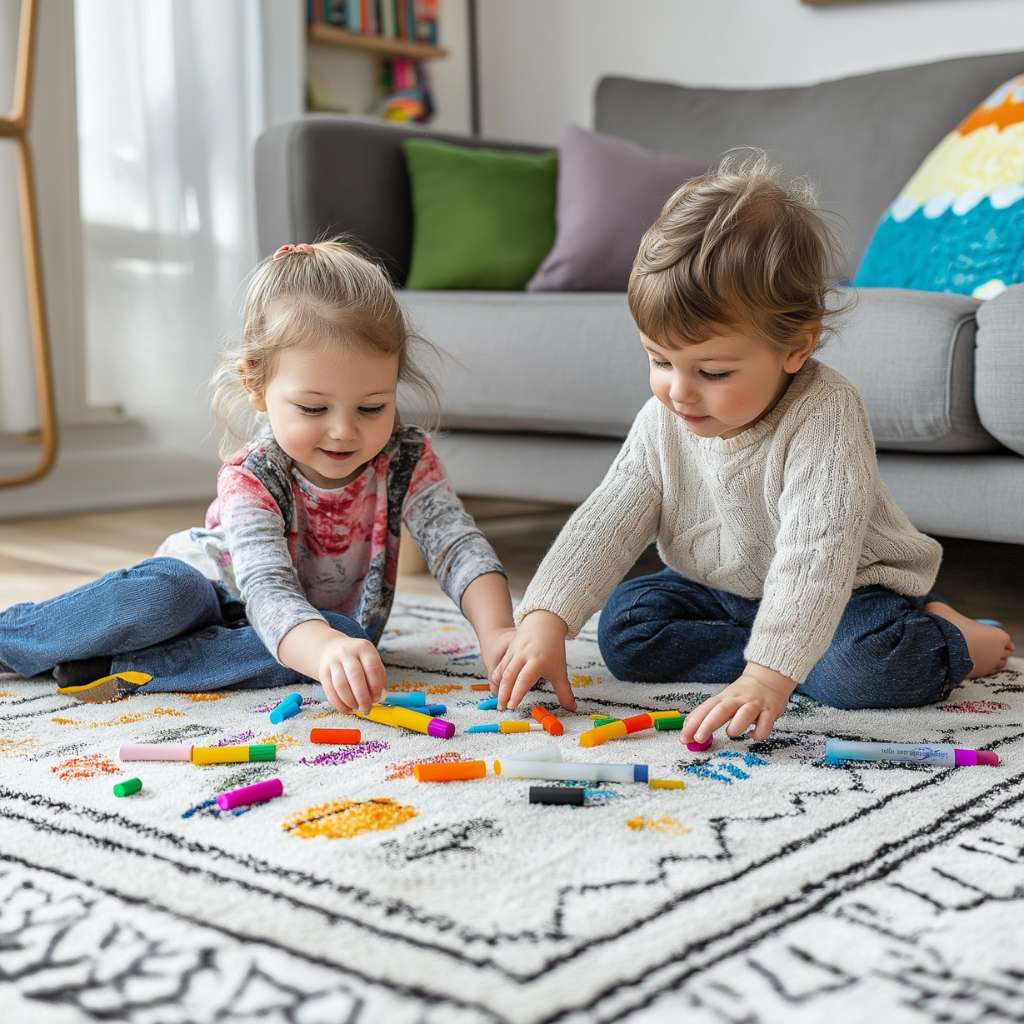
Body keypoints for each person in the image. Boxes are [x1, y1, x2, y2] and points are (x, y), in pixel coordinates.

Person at [491, 153, 1015, 744]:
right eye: (659, 360)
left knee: (864, 670)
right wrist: (546, 617)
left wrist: (768, 677)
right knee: (627, 632)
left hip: (847, 589)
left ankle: (947, 634)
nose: (679, 392)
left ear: (795, 349)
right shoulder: (665, 416)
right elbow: (608, 518)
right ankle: (787, 660)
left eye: (712, 372)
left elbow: (816, 554)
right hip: (725, 591)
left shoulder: (826, 412)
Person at [0, 239, 516, 713]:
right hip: (214, 590)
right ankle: (12, 638)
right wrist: (323, 648)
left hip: (280, 630)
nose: (343, 431)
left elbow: (457, 546)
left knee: (347, 636)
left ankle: (115, 667)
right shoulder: (253, 475)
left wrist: (497, 633)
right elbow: (267, 587)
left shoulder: (406, 458)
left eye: (371, 407)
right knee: (168, 595)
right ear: (256, 386)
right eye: (313, 408)